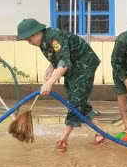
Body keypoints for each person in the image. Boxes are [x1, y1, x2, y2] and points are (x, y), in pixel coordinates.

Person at [16, 18, 107, 152]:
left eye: (28, 40)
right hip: (73, 68)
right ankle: (101, 132)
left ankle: (63, 139)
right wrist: (50, 69)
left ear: (35, 34)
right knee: (78, 101)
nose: (29, 43)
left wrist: (49, 84)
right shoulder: (43, 41)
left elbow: (64, 63)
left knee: (75, 102)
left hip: (84, 65)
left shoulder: (54, 37)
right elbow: (58, 57)